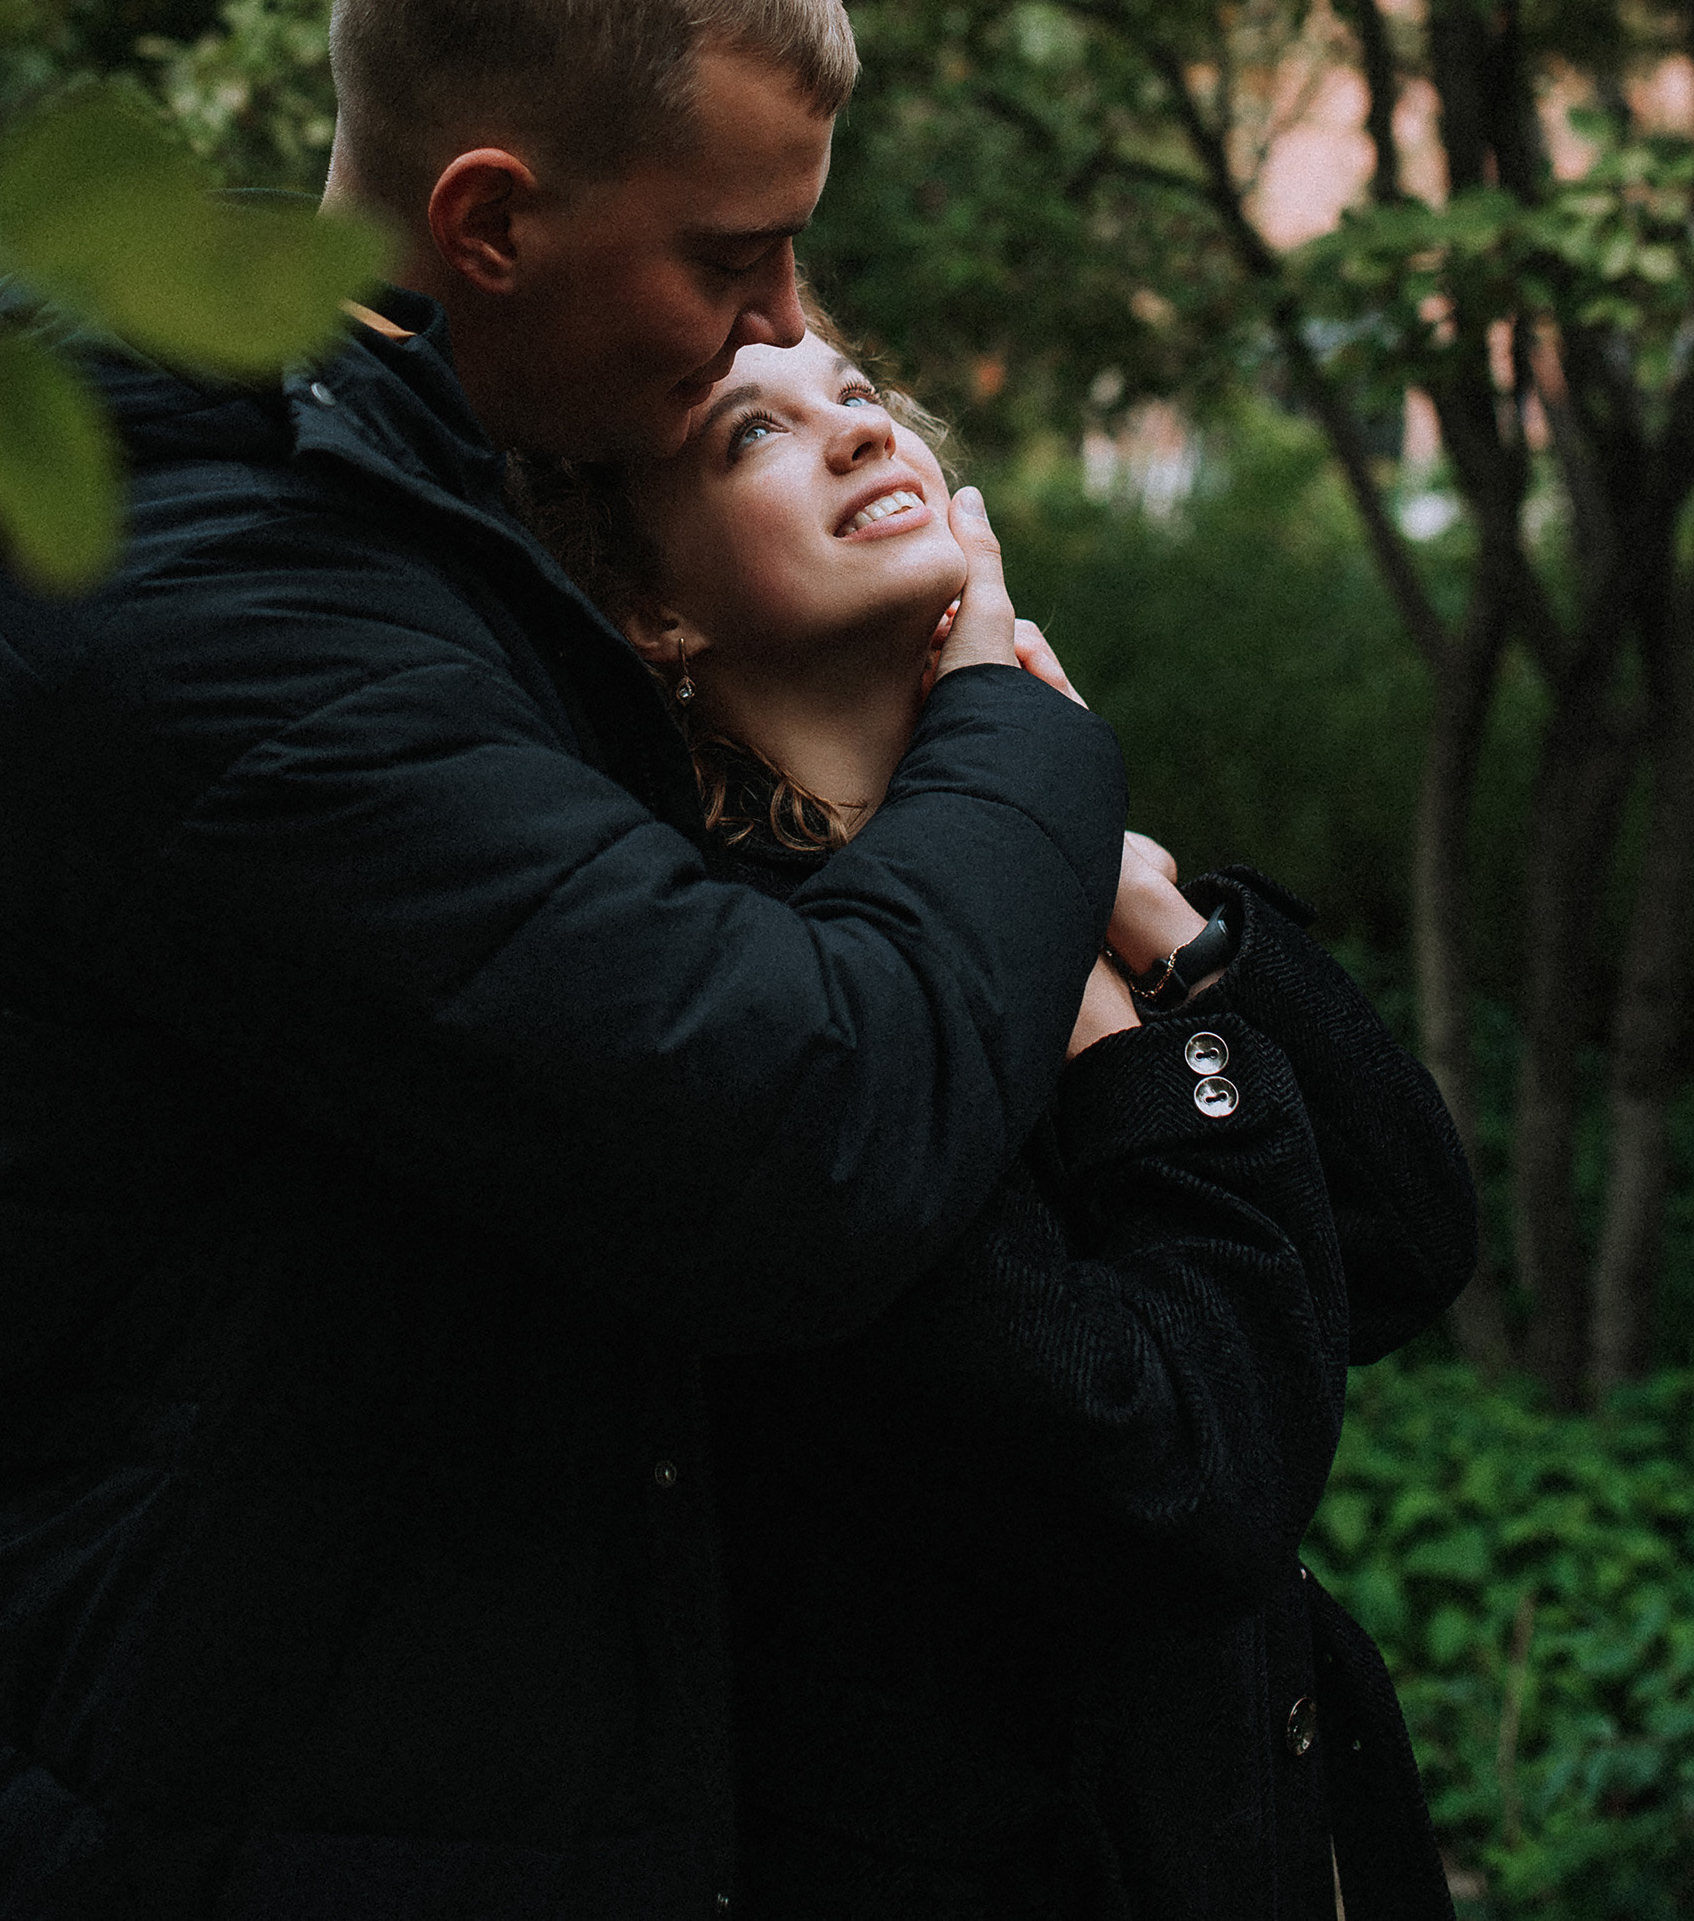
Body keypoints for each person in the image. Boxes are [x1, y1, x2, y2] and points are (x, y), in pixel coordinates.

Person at [0, 0, 1136, 1921]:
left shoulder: (460, 513)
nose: (776, 322)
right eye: (730, 260)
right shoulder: (209, 613)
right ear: (487, 221)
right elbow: (796, 1130)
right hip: (258, 1822)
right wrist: (1015, 718)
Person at [518, 309, 1478, 1921]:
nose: (853, 426)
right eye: (751, 432)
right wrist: (1114, 1041)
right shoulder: (758, 985)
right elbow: (1187, 1467)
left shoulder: (1037, 876)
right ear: (651, 607)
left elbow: (1398, 1240)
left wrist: (1154, 915)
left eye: (858, 390)